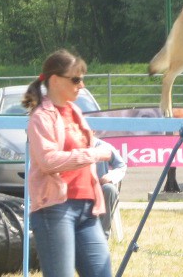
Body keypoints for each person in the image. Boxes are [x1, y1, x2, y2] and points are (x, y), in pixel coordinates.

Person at [23, 49, 113, 277]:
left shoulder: (74, 111)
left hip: (88, 209)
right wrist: (93, 154)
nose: (81, 85)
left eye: (82, 79)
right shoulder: (40, 117)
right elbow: (48, 161)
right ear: (54, 80)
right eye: (76, 79)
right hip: (55, 209)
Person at [95, 138, 127, 240]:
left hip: (98, 188)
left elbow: (121, 166)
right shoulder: (70, 143)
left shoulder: (102, 146)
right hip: (74, 190)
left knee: (109, 189)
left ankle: (102, 237)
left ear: (93, 131)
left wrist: (111, 177)